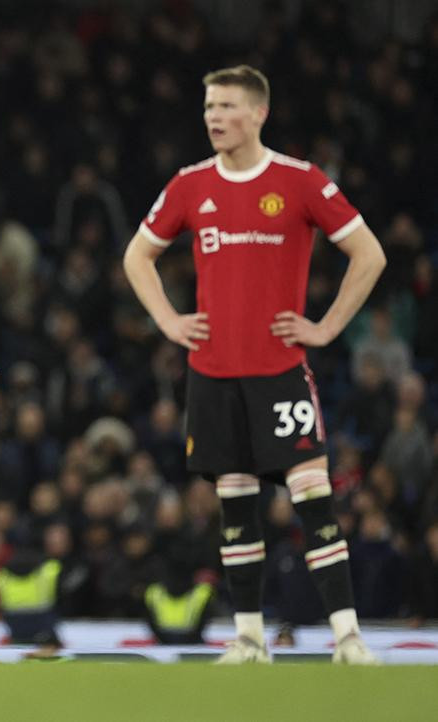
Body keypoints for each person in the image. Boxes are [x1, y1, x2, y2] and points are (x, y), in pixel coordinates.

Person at [122, 65, 386, 664]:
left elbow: (369, 253)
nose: (213, 116)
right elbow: (138, 255)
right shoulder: (190, 185)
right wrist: (168, 322)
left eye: (226, 106)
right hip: (213, 374)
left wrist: (326, 327)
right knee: (235, 502)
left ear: (259, 113)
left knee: (313, 498)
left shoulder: (300, 181)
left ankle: (349, 639)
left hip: (279, 371)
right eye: (209, 105)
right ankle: (248, 639)